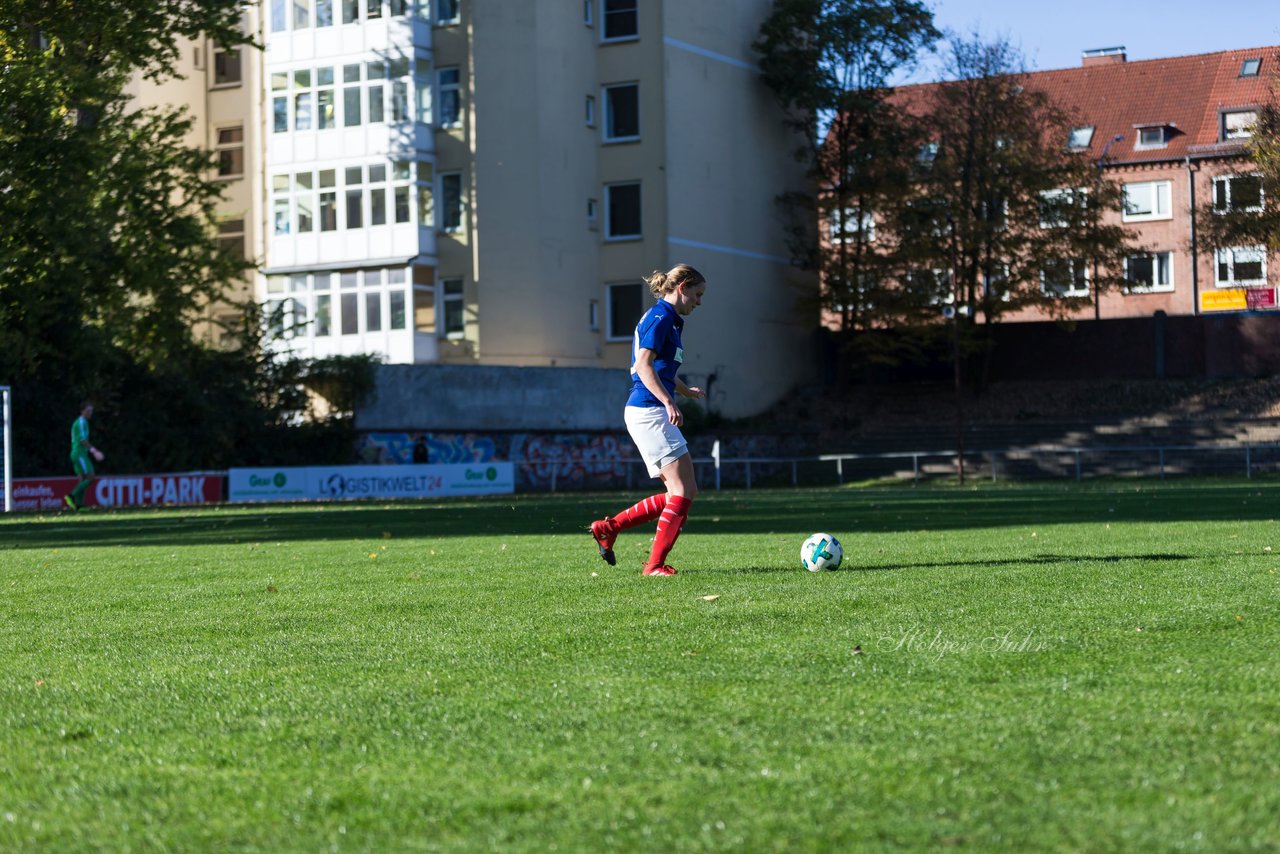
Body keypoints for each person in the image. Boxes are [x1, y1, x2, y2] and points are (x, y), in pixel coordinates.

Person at [590, 264, 707, 576]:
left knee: (681, 492)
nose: (699, 302)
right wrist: (669, 401)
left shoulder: (670, 320)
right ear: (681, 287)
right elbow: (643, 366)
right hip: (649, 411)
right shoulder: (660, 317)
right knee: (683, 491)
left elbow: (662, 368)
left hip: (649, 410)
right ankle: (654, 566)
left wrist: (683, 390)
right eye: (697, 294)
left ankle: (609, 528)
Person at [65, 401, 104, 511]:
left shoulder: (83, 422)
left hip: (76, 453)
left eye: (91, 411)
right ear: (82, 411)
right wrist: (94, 451)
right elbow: (82, 440)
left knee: (82, 479)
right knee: (91, 477)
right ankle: (71, 496)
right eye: (88, 411)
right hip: (79, 454)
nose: (90, 413)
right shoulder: (81, 422)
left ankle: (79, 505)